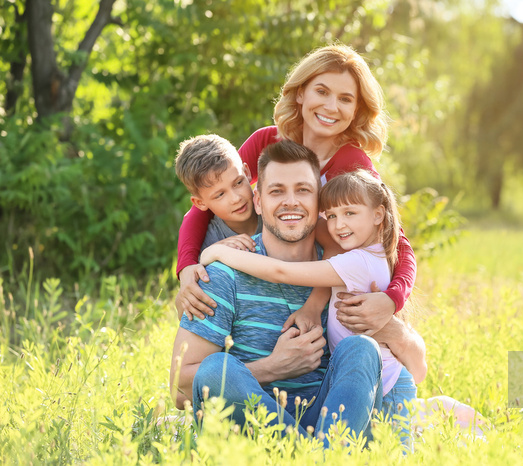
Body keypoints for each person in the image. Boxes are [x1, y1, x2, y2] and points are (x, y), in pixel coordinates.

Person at [169, 140, 426, 445]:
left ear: (320, 204)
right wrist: (272, 368)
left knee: (362, 349)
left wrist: (391, 329)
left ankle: (316, 455)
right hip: (257, 430)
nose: (291, 202)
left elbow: (415, 369)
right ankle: (312, 456)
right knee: (214, 370)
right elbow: (180, 390)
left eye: (303, 190)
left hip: (336, 423)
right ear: (258, 200)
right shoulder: (224, 275)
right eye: (277, 191)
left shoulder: (341, 267)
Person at [175, 44, 416, 338]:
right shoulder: (267, 141)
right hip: (265, 256)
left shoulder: (354, 166)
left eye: (345, 99)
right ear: (301, 93)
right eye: (322, 91)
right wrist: (186, 267)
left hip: (325, 276)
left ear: (356, 111)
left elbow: (395, 240)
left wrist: (392, 300)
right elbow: (208, 201)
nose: (331, 106)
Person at [174, 134, 260, 253]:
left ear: (247, 172)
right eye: (220, 195)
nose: (235, 199)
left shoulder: (272, 209)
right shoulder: (209, 243)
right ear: (200, 203)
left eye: (238, 182)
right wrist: (215, 252)